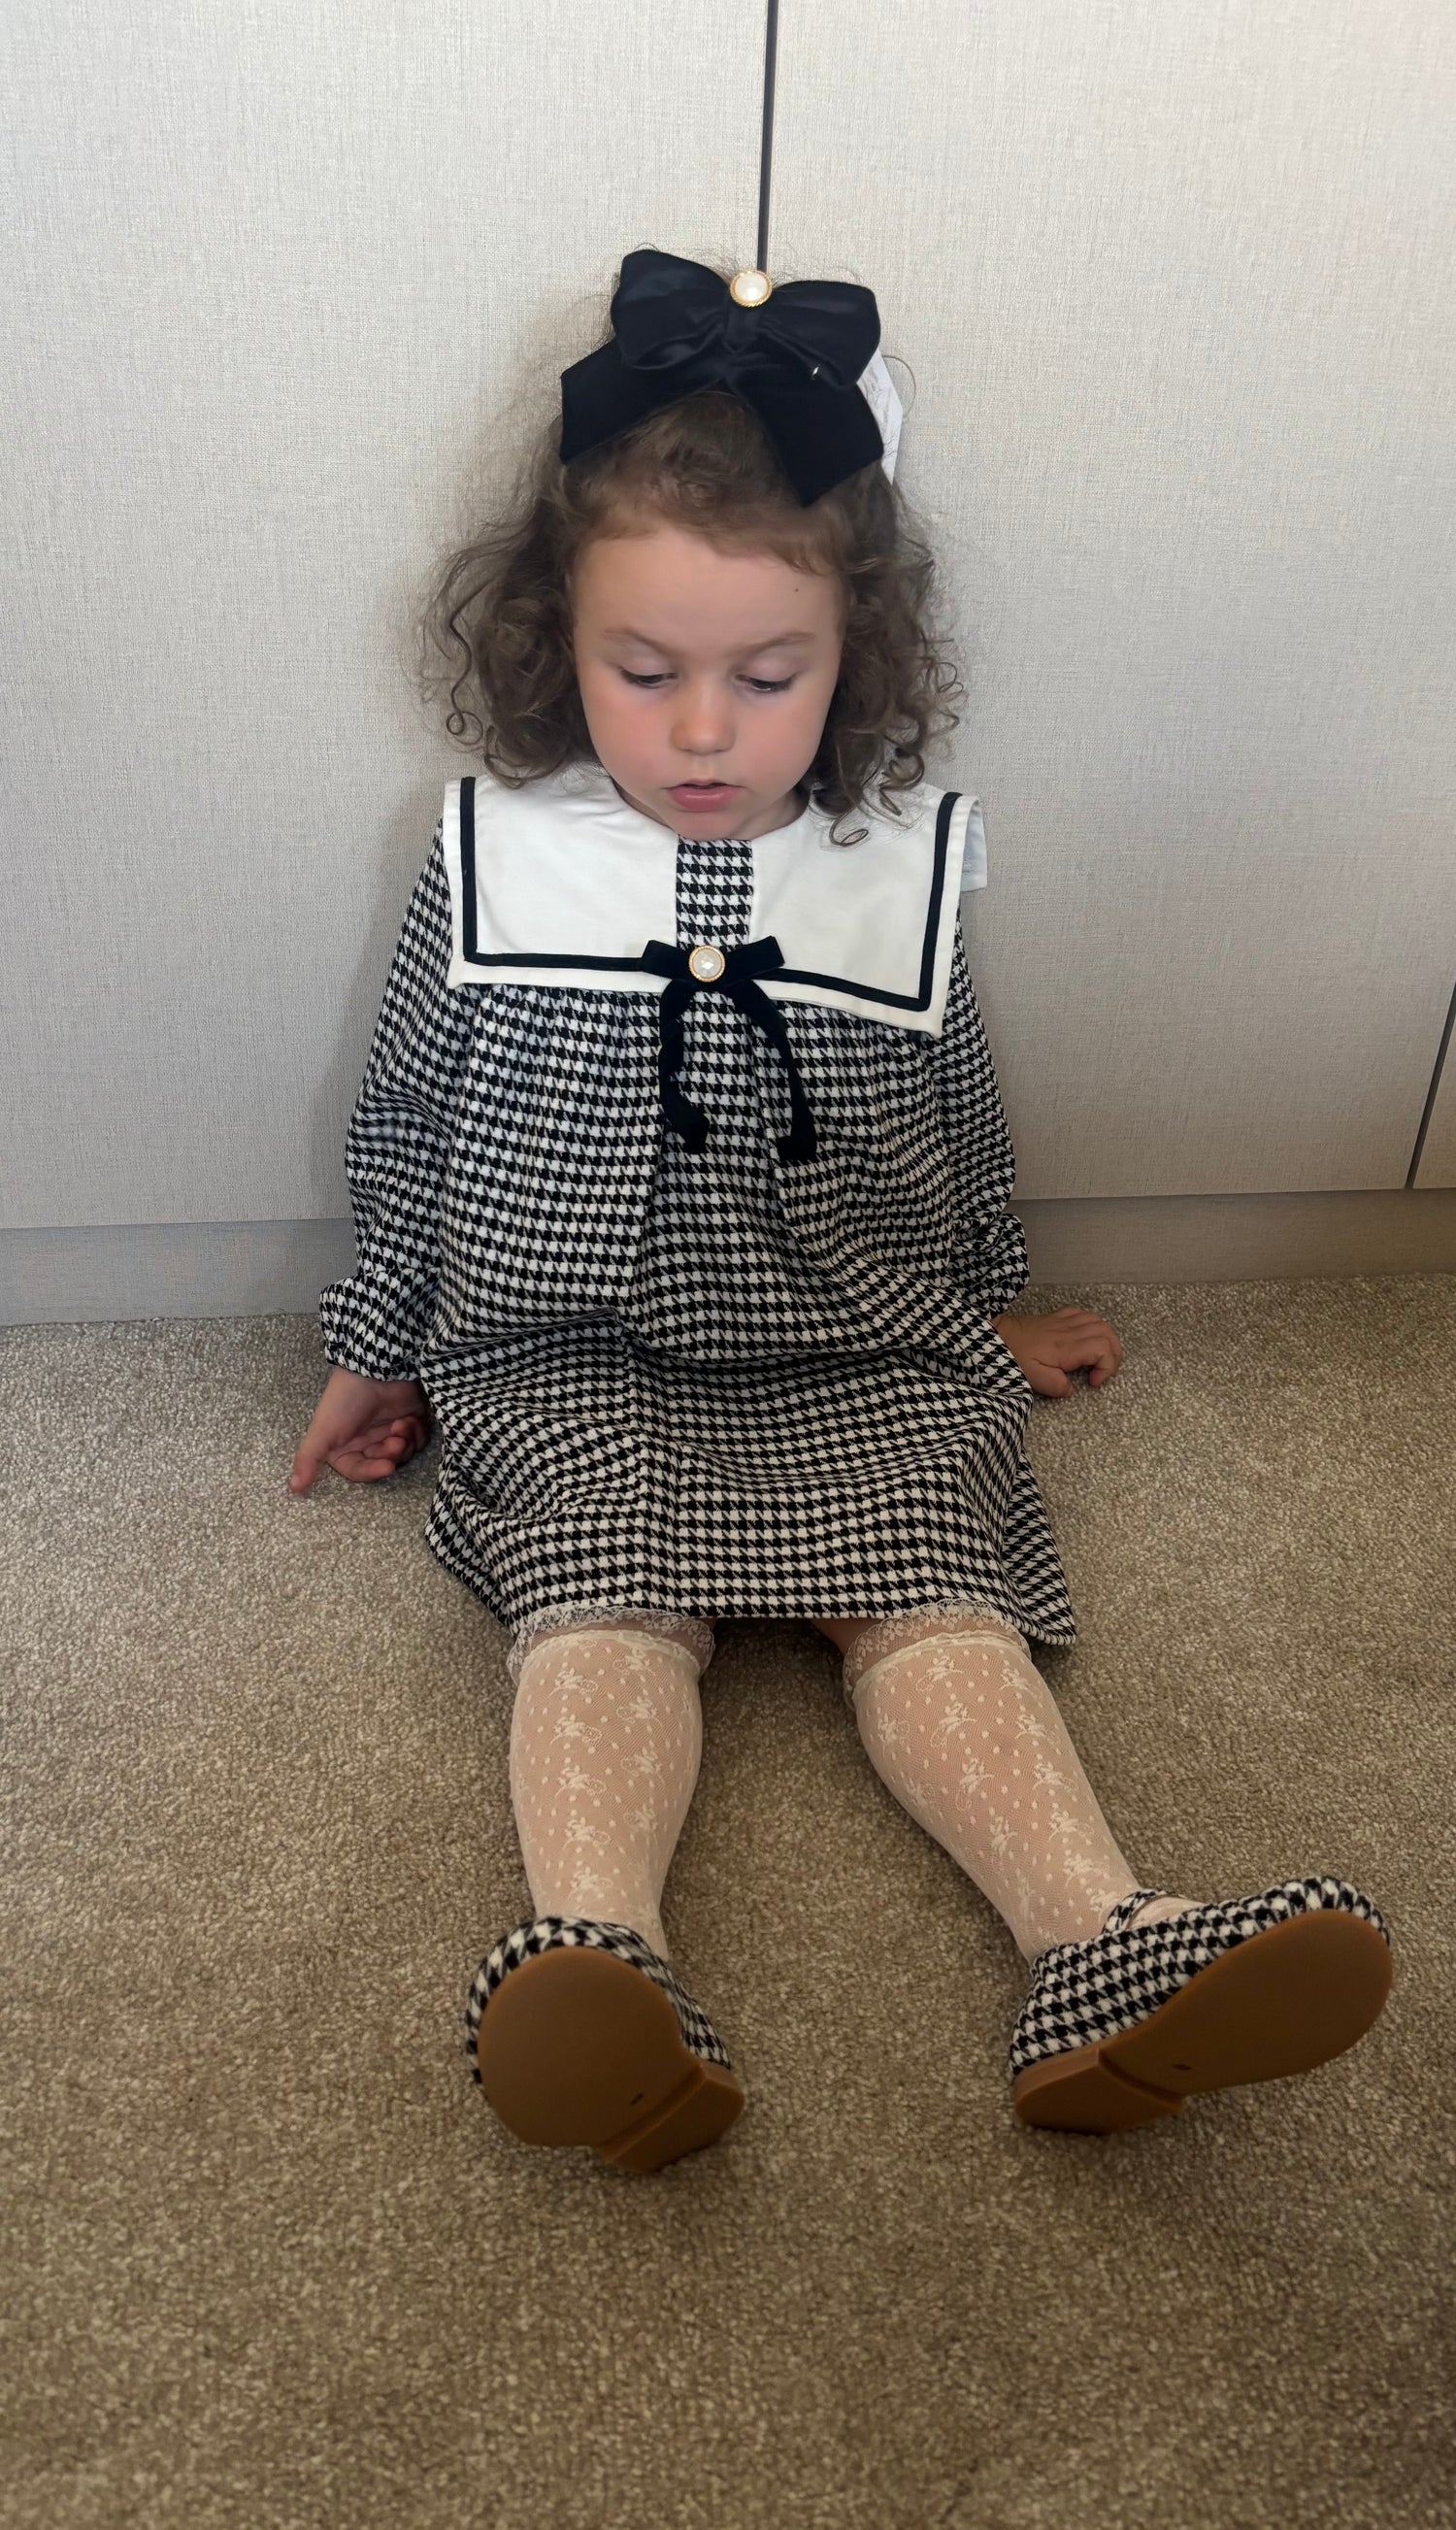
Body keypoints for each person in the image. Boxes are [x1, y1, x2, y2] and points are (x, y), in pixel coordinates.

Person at [288, 250, 1392, 2175]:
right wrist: (376, 1343)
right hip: (572, 1347)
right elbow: (408, 1121)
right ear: (557, 640)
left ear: (852, 655)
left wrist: (992, 1301)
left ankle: (1099, 1944)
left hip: (848, 1343)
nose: (703, 731)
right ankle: (602, 1963)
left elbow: (957, 1114)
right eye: (647, 673)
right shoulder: (494, 858)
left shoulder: (895, 872)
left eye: (767, 677)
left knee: (932, 1580)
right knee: (598, 1587)